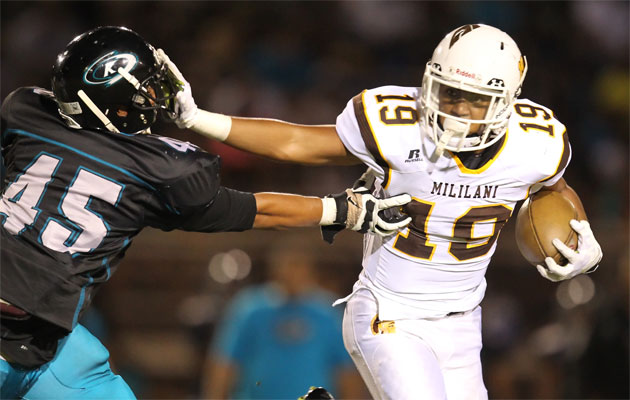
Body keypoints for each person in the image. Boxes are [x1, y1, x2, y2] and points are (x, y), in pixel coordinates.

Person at [163, 23, 604, 399]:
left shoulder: (536, 142)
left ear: (507, 102)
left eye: (472, 100)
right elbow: (297, 142)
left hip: (464, 322)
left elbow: (555, 187)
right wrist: (200, 119)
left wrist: (583, 241)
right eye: (448, 94)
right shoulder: (395, 124)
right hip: (388, 315)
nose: (454, 112)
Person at [0, 26, 412, 399]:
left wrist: (337, 209)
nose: (151, 97)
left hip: (44, 340)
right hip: (35, 332)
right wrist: (341, 210)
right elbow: (255, 210)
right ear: (115, 101)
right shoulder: (156, 172)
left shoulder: (26, 115)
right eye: (143, 89)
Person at [202, 244, 365, 399]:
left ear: (310, 271)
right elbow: (224, 363)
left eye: (298, 266)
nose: (292, 274)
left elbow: (346, 371)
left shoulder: (327, 313)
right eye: (287, 266)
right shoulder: (250, 309)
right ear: (274, 270)